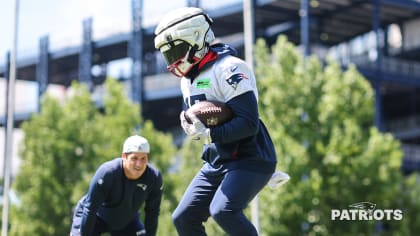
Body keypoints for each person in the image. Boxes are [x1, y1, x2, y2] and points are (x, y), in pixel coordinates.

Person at [154, 7, 280, 236]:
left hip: (249, 156)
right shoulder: (188, 80)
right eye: (168, 55)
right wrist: (189, 123)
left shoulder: (229, 68)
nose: (173, 61)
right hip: (217, 159)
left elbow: (248, 123)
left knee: (223, 211)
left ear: (197, 39)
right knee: (183, 218)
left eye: (176, 51)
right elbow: (198, 118)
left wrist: (210, 134)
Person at [70, 135, 163, 236]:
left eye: (143, 158)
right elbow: (90, 209)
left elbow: (152, 213)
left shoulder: (154, 177)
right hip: (94, 217)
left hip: (127, 221)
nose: (139, 164)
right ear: (124, 156)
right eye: (134, 158)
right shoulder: (108, 173)